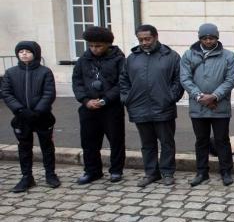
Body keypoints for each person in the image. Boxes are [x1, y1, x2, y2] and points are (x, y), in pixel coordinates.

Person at [120, 24, 184, 187]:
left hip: (163, 107)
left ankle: (168, 172)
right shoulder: (132, 58)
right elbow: (124, 80)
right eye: (141, 39)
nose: (144, 42)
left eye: (147, 39)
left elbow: (178, 80)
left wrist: (171, 97)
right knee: (147, 144)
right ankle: (151, 173)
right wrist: (127, 98)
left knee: (167, 142)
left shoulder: (171, 56)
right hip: (139, 107)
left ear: (155, 37)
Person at [180, 23, 234, 187]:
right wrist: (199, 96)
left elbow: (230, 80)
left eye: (211, 38)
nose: (208, 41)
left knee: (222, 140)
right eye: (205, 38)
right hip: (198, 107)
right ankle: (201, 172)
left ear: (217, 38)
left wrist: (214, 96)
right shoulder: (189, 55)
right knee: (201, 140)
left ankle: (226, 171)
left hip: (220, 106)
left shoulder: (229, 56)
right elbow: (185, 78)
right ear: (200, 38)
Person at [1, 41, 60, 192]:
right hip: (21, 117)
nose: (24, 54)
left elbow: (49, 93)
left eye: (27, 51)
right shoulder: (10, 73)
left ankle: (50, 174)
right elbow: (6, 93)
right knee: (24, 147)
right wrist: (20, 110)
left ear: (35, 53)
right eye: (21, 52)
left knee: (47, 146)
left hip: (42, 116)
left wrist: (38, 110)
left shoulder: (45, 72)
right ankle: (27, 177)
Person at [72, 26, 126, 184]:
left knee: (116, 140)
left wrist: (105, 100)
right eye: (91, 46)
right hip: (88, 106)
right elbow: (77, 82)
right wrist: (85, 100)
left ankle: (116, 170)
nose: (94, 49)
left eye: (98, 46)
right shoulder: (83, 60)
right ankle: (92, 170)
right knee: (89, 141)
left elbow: (122, 82)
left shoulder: (119, 60)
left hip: (111, 107)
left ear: (108, 44)